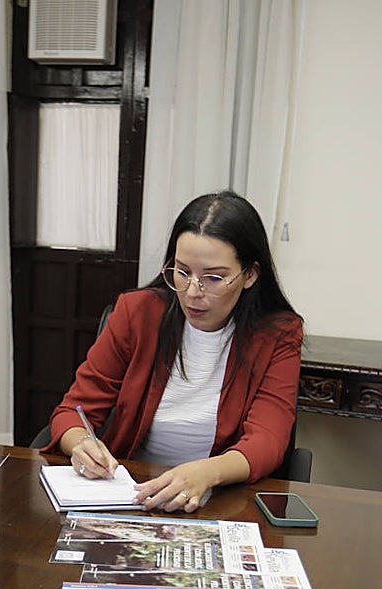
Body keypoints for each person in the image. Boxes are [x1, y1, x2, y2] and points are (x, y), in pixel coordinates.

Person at [41, 191, 303, 512]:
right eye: (182, 272)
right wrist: (81, 444)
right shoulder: (137, 314)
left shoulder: (277, 334)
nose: (193, 292)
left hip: (219, 501)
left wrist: (205, 473)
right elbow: (71, 412)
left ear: (250, 275)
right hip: (133, 494)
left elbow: (269, 438)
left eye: (214, 278)